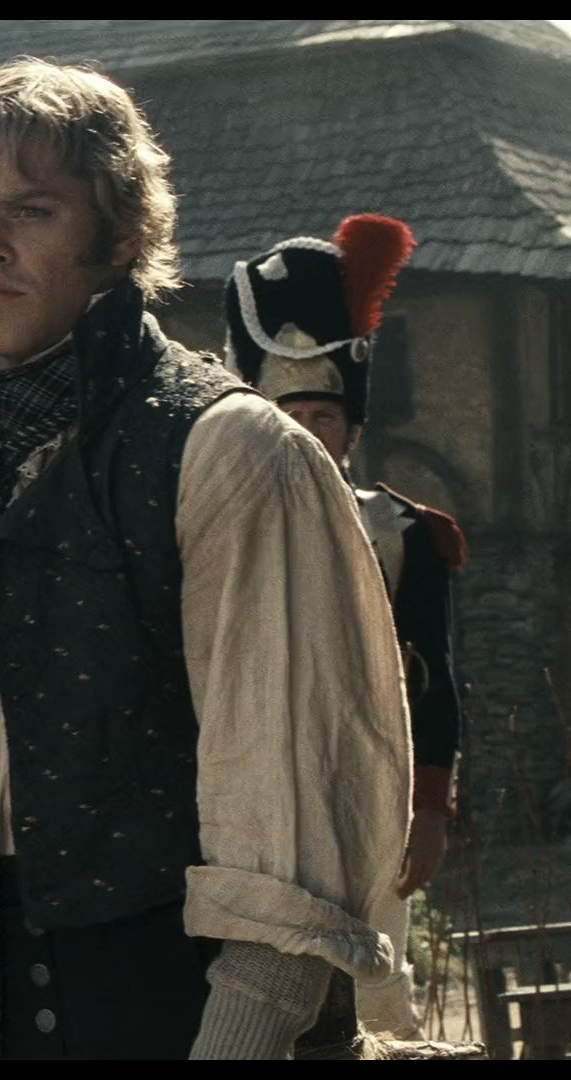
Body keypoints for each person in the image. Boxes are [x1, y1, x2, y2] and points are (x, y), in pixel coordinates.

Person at [0, 59, 412, 1060]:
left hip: (178, 1001)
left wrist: (239, 1041)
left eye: (31, 211)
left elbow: (290, 800)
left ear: (122, 236)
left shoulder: (225, 449)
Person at [223, 213, 461, 1037]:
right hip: (248, 792)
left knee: (366, 990)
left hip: (367, 786)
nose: (305, 433)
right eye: (285, 415)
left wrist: (430, 808)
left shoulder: (405, 534)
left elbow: (432, 675)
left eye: (322, 416)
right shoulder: (218, 532)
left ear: (353, 428)